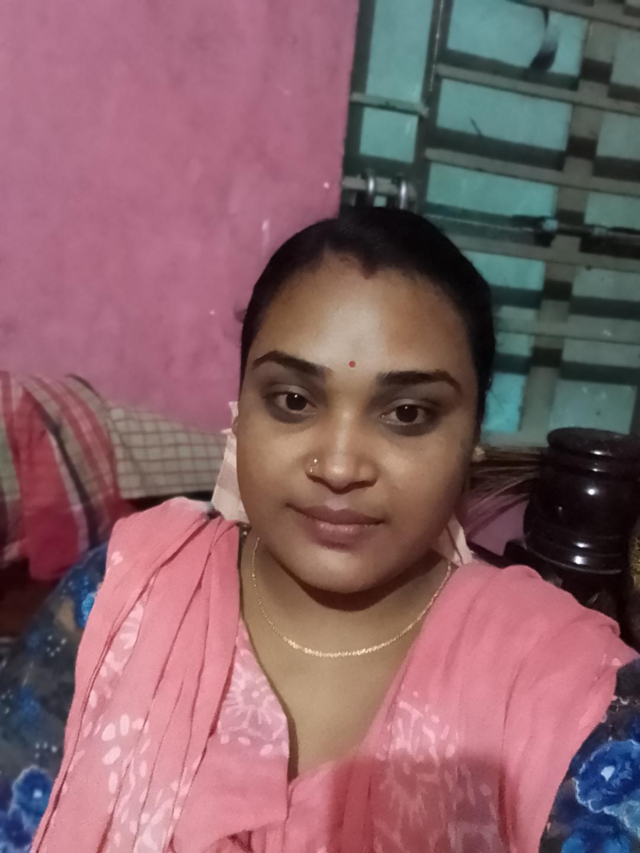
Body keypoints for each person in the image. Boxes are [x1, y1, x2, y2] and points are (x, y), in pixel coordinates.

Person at [34, 209, 640, 852]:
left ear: (472, 439)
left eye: (408, 413)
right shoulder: (120, 597)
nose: (340, 467)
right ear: (240, 413)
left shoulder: (567, 687)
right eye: (293, 401)